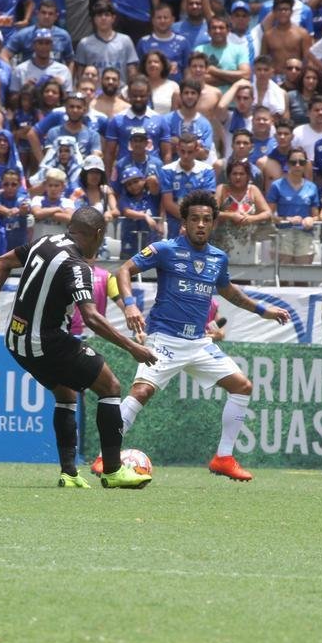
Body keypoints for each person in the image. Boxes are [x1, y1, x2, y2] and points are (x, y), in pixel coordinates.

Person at [0, 206, 158, 489]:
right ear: (98, 234)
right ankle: (113, 471)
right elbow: (92, 317)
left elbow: (2, 262)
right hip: (46, 342)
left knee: (66, 392)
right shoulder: (77, 265)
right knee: (110, 386)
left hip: (15, 340)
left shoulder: (45, 241)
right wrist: (132, 347)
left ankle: (69, 473)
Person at [109, 190, 291, 483]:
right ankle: (106, 456)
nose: (201, 224)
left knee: (242, 386)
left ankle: (224, 458)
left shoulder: (218, 258)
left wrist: (263, 311)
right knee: (141, 392)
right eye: (195, 219)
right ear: (184, 223)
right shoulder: (165, 249)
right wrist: (130, 305)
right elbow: (124, 270)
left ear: (214, 223)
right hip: (165, 339)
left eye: (207, 219)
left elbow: (228, 291)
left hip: (198, 343)